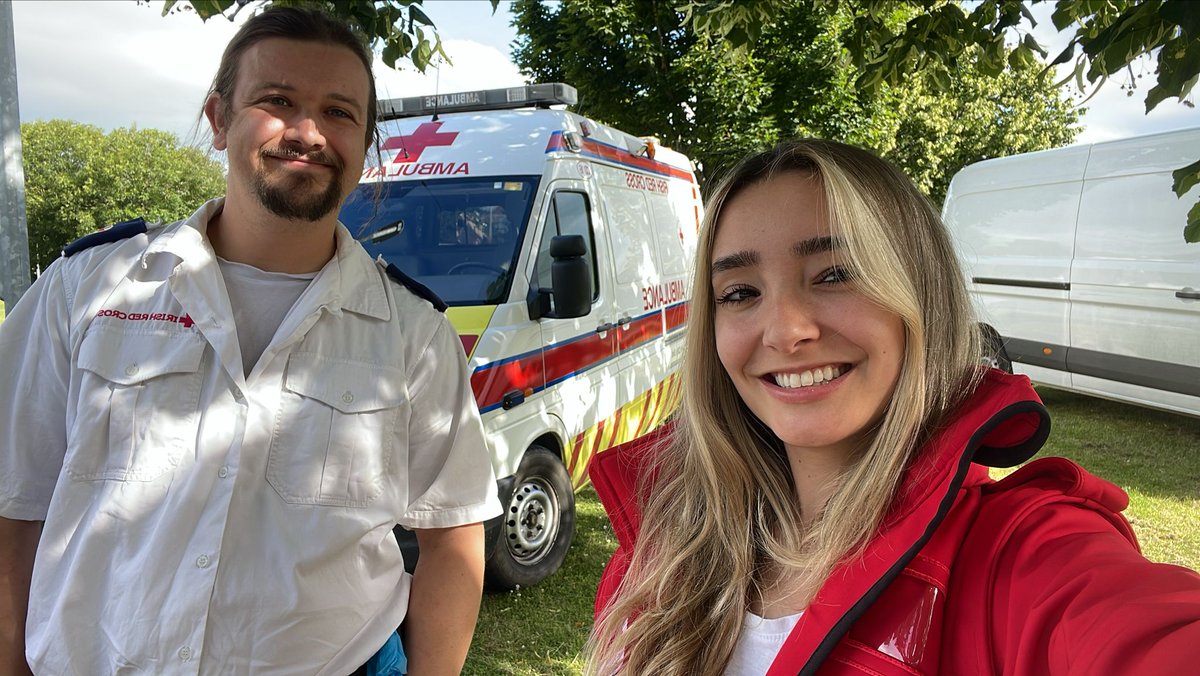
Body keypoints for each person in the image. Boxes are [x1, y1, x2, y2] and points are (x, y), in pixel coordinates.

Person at [0, 7, 500, 675]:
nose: (309, 133)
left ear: (365, 143)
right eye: (278, 101)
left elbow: (453, 535)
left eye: (339, 112)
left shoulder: (414, 333)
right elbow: (14, 505)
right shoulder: (85, 289)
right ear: (218, 118)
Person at [586, 139, 1200, 675]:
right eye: (741, 292)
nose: (785, 330)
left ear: (921, 295)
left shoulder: (1020, 555)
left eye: (835, 274)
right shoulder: (667, 538)